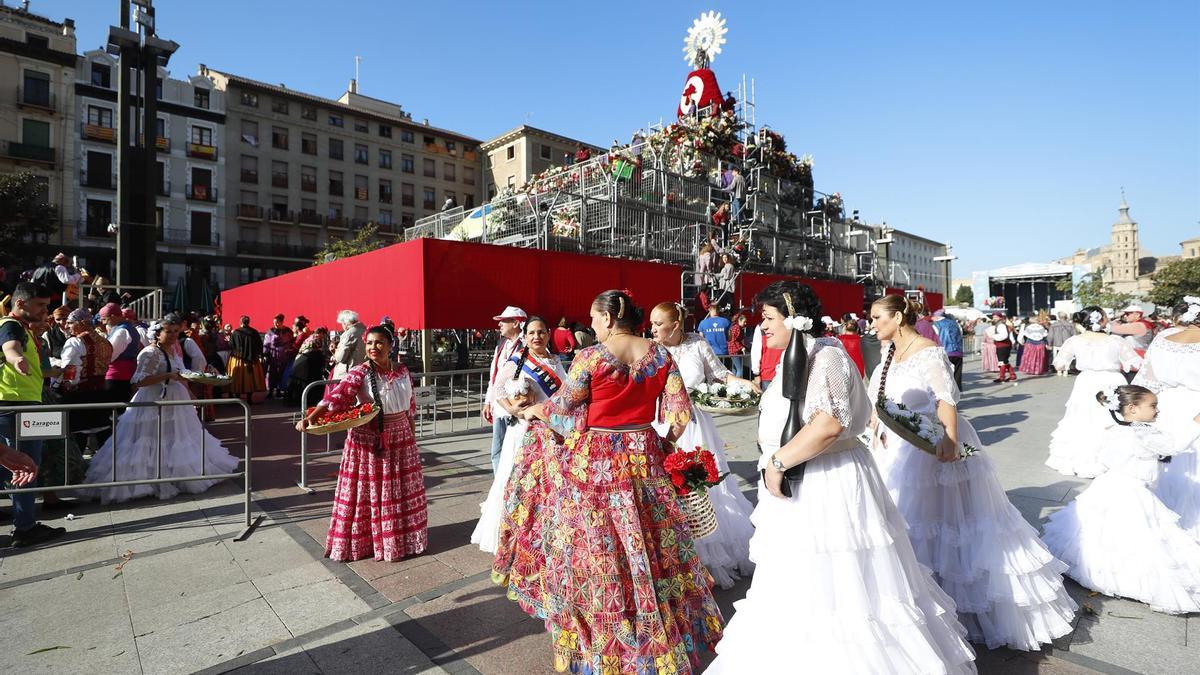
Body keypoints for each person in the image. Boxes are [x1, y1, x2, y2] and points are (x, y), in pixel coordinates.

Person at [709, 282, 976, 673]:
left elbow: (830, 423)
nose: (762, 328)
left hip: (826, 483)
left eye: (768, 319)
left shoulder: (826, 355)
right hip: (807, 480)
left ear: (793, 318)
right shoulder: (800, 353)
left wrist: (777, 463)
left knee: (841, 588)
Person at [498, 290, 723, 674]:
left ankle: (606, 638)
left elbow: (563, 410)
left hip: (596, 462)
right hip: (645, 454)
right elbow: (680, 414)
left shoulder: (591, 357)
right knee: (648, 543)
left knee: (597, 549)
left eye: (593, 317)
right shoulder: (659, 354)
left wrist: (535, 409)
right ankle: (657, 631)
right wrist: (660, 442)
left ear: (606, 318)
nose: (592, 325)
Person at [867, 294, 1076, 650]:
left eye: (876, 317)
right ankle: (919, 602)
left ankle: (958, 606)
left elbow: (945, 399)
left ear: (898, 316)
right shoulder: (889, 352)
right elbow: (880, 397)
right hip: (896, 448)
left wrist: (948, 442)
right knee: (908, 522)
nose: (871, 325)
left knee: (948, 523)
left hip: (931, 445)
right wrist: (875, 427)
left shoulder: (928, 351)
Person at [1042, 385, 1200, 614]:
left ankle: (1094, 569)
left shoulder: (1117, 429)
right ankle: (1126, 579)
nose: (1158, 410)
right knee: (1137, 538)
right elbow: (1175, 445)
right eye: (1153, 406)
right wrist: (1196, 421)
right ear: (1133, 408)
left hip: (1107, 485)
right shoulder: (1143, 434)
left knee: (1102, 533)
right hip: (1131, 491)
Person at [650, 302, 758, 588]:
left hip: (696, 425)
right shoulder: (651, 350)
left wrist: (744, 385)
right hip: (664, 422)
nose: (653, 330)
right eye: (651, 324)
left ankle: (713, 557)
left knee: (708, 486)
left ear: (675, 324)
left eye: (658, 324)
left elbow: (720, 375)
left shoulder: (698, 344)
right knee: (673, 487)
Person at [298, 326, 427, 562]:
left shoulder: (403, 371)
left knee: (399, 491)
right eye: (369, 343)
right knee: (368, 492)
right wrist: (310, 418)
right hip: (369, 440)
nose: (373, 347)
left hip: (401, 439)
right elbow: (335, 397)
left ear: (390, 346)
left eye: (378, 343)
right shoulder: (360, 372)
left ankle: (400, 540)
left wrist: (412, 438)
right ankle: (367, 543)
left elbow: (410, 407)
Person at [82, 314, 240, 504]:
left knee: (175, 437)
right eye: (168, 331)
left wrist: (190, 394)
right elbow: (138, 381)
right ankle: (148, 479)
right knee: (149, 438)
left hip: (175, 399)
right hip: (153, 400)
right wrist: (166, 376)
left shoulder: (173, 349)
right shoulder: (150, 353)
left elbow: (181, 375)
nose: (173, 335)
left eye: (175, 331)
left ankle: (175, 475)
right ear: (157, 333)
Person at [470, 316, 565, 553]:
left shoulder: (555, 361)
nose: (537, 337)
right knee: (516, 483)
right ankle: (512, 536)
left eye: (541, 332)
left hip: (552, 429)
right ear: (525, 335)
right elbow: (497, 389)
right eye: (532, 333)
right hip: (524, 432)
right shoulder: (517, 361)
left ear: (548, 333)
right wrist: (514, 409)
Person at [0, 282, 66, 548]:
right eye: (40, 305)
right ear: (21, 304)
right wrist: (16, 359)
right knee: (26, 466)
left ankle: (24, 521)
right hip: (18, 406)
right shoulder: (11, 325)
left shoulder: (22, 327)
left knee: (19, 465)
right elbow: (10, 347)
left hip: (25, 403)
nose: (45, 311)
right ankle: (25, 527)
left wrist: (54, 372)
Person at [1134, 297, 1200, 542]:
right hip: (1195, 411)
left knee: (1166, 463)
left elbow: (1146, 380)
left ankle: (1161, 518)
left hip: (1166, 407)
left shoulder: (1162, 340)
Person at [1046, 307, 1141, 477]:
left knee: (1083, 418)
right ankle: (1114, 458)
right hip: (1113, 381)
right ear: (1102, 320)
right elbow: (1136, 363)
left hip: (1087, 382)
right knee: (1112, 419)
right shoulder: (1117, 341)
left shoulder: (1075, 341)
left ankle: (1082, 458)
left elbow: (1059, 364)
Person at [57, 308, 114, 449]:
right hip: (101, 392)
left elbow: (69, 368)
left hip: (80, 393)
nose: (67, 326)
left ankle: (75, 470)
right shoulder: (105, 341)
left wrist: (67, 385)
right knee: (102, 434)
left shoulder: (75, 342)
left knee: (77, 436)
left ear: (82, 323)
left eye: (70, 322)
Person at [482, 306, 526, 473]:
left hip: (515, 406)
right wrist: (488, 401)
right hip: (499, 405)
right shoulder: (501, 345)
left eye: (503, 321)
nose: (499, 324)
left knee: (514, 450)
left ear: (515, 323)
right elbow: (494, 376)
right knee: (497, 450)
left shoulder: (526, 346)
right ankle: (499, 487)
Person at [100, 302, 141, 404]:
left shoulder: (122, 331)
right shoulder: (129, 328)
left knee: (115, 410)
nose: (103, 323)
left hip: (117, 376)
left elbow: (110, 355)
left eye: (105, 319)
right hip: (125, 374)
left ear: (113, 316)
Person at [287, 327, 331, 407]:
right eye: (323, 334)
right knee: (308, 380)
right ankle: (307, 400)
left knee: (300, 382)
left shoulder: (311, 337)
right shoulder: (316, 339)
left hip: (301, 361)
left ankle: (297, 399)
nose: (324, 336)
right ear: (320, 333)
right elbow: (317, 353)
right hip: (307, 362)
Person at [227, 316, 266, 403]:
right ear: (248, 322)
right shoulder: (254, 332)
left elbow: (231, 345)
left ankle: (238, 397)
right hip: (252, 359)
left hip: (238, 359)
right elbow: (260, 345)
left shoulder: (236, 332)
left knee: (237, 378)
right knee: (250, 379)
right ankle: (249, 398)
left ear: (240, 322)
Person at [263, 314, 296, 399]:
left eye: (277, 322)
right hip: (273, 355)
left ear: (281, 322)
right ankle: (270, 390)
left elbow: (292, 341)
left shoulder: (288, 331)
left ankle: (279, 390)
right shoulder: (270, 331)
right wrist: (265, 353)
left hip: (284, 355)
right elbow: (266, 343)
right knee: (271, 373)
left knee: (282, 372)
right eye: (274, 322)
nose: (275, 324)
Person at [932, 309, 964, 389]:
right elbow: (960, 334)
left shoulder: (936, 325)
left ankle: (947, 394)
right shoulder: (955, 323)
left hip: (945, 351)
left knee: (945, 374)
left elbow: (935, 338)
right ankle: (956, 393)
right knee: (956, 374)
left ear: (936, 317)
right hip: (958, 351)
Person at [330, 309, 366, 381]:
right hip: (362, 370)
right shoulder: (364, 330)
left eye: (342, 323)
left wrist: (335, 352)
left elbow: (341, 357)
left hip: (347, 373)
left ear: (345, 323)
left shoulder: (349, 334)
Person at [749, 322, 782, 390]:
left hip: (773, 373)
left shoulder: (761, 327)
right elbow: (756, 351)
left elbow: (756, 351)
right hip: (770, 374)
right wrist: (756, 373)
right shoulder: (761, 328)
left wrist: (756, 373)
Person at [987, 313, 1017, 383]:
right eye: (993, 317)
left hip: (1003, 345)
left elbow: (1004, 335)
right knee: (1005, 361)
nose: (994, 318)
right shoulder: (1000, 324)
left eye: (996, 317)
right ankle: (1012, 375)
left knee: (1002, 362)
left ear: (1000, 317)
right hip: (1003, 345)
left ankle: (1002, 377)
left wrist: (993, 336)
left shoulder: (1001, 325)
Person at [1048, 312, 1076, 376]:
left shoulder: (1053, 325)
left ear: (1058, 317)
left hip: (1056, 344)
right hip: (1068, 344)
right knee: (1067, 357)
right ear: (1066, 317)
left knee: (1057, 357)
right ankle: (1065, 370)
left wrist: (1049, 344)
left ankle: (1059, 370)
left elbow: (1050, 336)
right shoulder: (1071, 325)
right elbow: (1074, 335)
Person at [727, 312, 748, 378]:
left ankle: (732, 384)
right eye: (744, 322)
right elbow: (733, 340)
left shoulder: (735, 328)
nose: (745, 323)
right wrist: (742, 347)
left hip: (733, 351)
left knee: (735, 369)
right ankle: (737, 384)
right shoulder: (737, 328)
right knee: (740, 370)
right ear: (739, 321)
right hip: (734, 351)